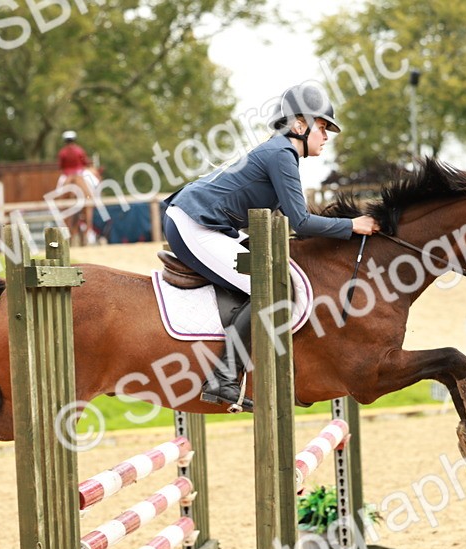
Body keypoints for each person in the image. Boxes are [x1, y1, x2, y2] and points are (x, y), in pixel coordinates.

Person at [160, 83, 379, 411]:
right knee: (270, 288)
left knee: (272, 279)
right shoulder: (282, 154)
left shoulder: (280, 153)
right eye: (323, 127)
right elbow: (301, 222)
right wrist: (352, 226)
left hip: (203, 223)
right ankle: (222, 378)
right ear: (300, 125)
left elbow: (281, 223)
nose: (327, 136)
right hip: (195, 225)